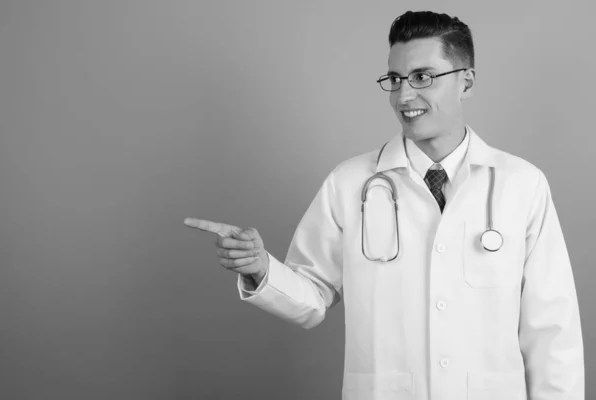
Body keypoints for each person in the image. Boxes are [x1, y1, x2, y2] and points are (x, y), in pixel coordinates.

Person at [184, 10, 584, 400]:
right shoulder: (351, 182)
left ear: (466, 81)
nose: (404, 95)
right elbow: (313, 295)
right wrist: (262, 269)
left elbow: (551, 329)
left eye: (422, 77)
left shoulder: (521, 184)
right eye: (395, 79)